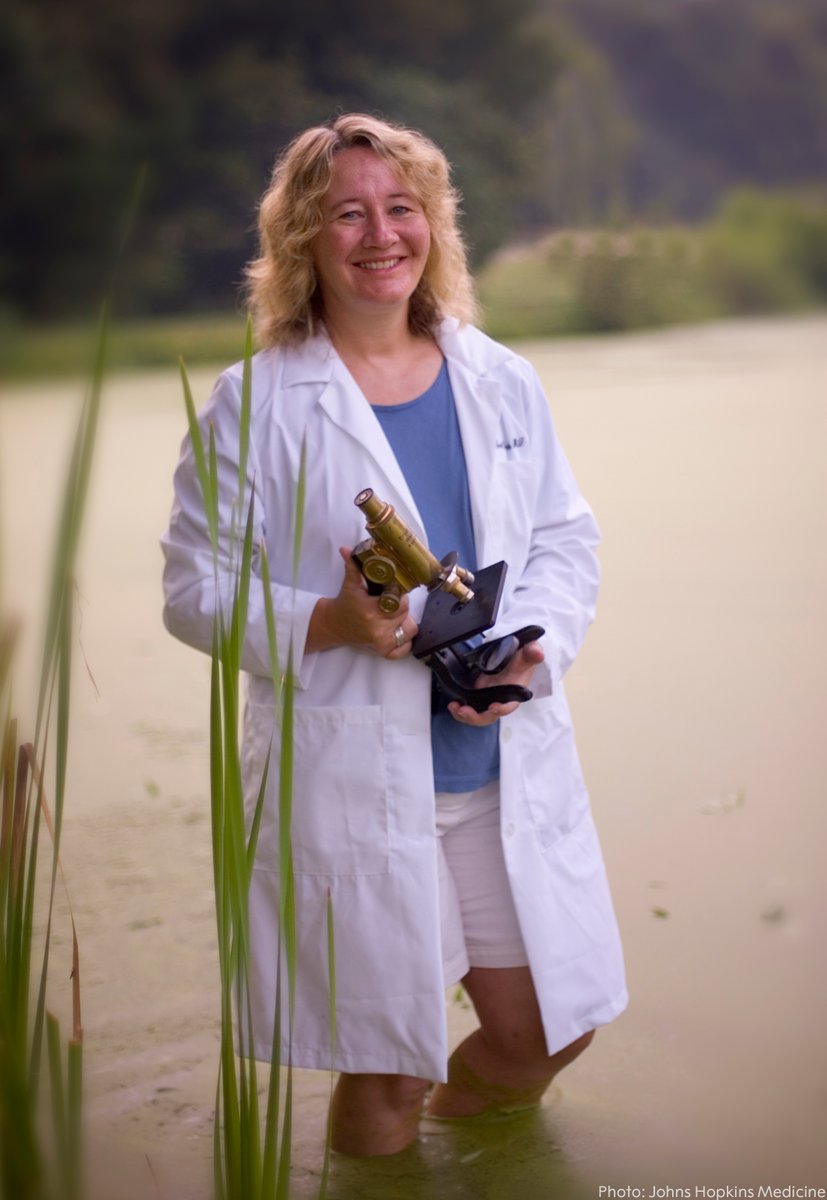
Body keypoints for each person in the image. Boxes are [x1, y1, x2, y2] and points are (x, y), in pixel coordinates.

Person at [161, 113, 627, 1158]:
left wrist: (531, 645)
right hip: (356, 779)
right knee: (385, 1068)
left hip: (492, 762)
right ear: (301, 244)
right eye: (347, 214)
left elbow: (563, 535)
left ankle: (469, 1151)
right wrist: (325, 620)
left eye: (401, 208)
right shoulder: (257, 407)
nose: (380, 234)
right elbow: (192, 588)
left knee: (547, 1031)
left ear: (432, 226)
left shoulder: (497, 377)